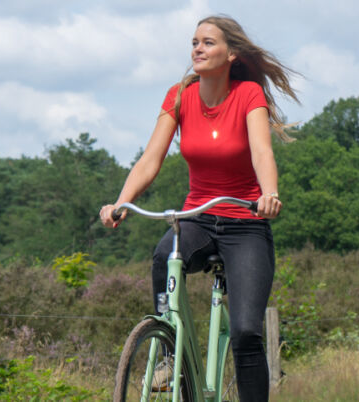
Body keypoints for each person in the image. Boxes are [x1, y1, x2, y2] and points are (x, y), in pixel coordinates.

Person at [99, 14, 299, 401]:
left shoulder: (247, 95)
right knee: (164, 255)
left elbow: (262, 151)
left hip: (245, 221)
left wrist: (268, 193)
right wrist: (123, 201)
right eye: (194, 42)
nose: (197, 49)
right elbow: (150, 160)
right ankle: (169, 358)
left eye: (208, 42)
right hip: (198, 218)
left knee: (245, 332)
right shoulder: (180, 95)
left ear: (232, 54)